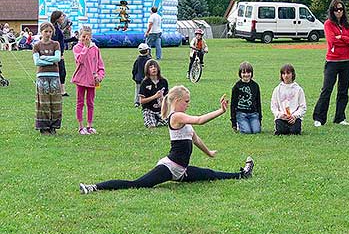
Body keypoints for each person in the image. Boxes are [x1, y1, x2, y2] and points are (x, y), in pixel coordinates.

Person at [79, 85, 254, 194]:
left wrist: (209, 153)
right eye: (186, 101)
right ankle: (94, 187)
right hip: (170, 167)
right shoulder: (176, 116)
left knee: (210, 174)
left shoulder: (182, 117)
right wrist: (221, 111)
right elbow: (200, 120)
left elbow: (195, 138)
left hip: (182, 171)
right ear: (177, 100)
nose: (188, 104)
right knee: (138, 184)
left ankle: (243, 174)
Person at [313, 0, 349, 127]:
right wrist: (345, 40)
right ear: (332, 11)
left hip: (347, 62)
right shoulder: (328, 24)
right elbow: (332, 41)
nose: (339, 12)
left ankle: (340, 117)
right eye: (336, 9)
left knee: (343, 91)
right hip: (332, 62)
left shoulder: (347, 25)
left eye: (341, 9)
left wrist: (342, 37)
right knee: (327, 89)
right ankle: (319, 118)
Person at [71, 26, 105, 135]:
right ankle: (81, 127)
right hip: (81, 79)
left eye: (88, 37)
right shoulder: (77, 48)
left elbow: (100, 66)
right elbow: (80, 60)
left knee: (90, 103)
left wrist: (99, 76)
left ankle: (89, 125)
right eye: (84, 36)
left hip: (92, 80)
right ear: (79, 37)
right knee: (80, 103)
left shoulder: (95, 49)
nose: (86, 39)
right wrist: (85, 48)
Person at [32, 22, 62, 135]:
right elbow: (37, 61)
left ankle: (53, 126)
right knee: (43, 102)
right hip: (42, 76)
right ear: (41, 32)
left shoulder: (56, 44)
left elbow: (58, 58)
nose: (48, 34)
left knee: (55, 102)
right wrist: (50, 59)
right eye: (46, 31)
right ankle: (44, 127)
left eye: (50, 31)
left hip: (54, 76)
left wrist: (43, 57)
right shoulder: (37, 46)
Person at [271, 64, 306, 135]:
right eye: (283, 73)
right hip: (282, 118)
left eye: (288, 73)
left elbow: (302, 107)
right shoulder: (277, 89)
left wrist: (295, 116)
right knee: (281, 131)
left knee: (295, 131)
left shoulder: (298, 89)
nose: (286, 76)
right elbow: (274, 106)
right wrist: (280, 115)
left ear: (292, 74)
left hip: (294, 118)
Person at [230, 61, 262, 134]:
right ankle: (239, 124)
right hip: (241, 114)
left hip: (253, 114)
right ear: (240, 74)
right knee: (247, 131)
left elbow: (258, 102)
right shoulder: (236, 87)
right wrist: (233, 122)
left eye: (248, 72)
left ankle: (253, 123)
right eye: (243, 73)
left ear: (251, 73)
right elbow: (233, 105)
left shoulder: (255, 86)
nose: (246, 75)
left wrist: (259, 118)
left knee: (256, 131)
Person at [139, 59, 169, 128]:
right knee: (151, 126)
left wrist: (163, 99)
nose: (153, 69)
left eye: (155, 67)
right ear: (147, 70)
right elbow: (142, 101)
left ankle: (159, 120)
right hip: (149, 110)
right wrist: (155, 96)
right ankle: (154, 120)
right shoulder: (145, 83)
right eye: (151, 67)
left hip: (161, 110)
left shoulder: (163, 81)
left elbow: (168, 98)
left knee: (171, 123)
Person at [50, 11, 68, 96]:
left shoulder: (57, 28)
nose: (63, 18)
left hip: (59, 53)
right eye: (62, 16)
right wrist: (59, 54)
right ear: (57, 18)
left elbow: (61, 41)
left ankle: (62, 90)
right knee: (61, 72)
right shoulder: (54, 29)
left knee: (62, 72)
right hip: (56, 54)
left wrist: (73, 39)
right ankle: (60, 91)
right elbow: (54, 42)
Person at [132, 43, 152, 107]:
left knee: (138, 91)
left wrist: (134, 76)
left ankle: (137, 102)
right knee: (148, 90)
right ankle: (147, 101)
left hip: (138, 78)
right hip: (147, 78)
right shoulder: (149, 60)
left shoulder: (137, 60)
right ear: (147, 51)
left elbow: (134, 69)